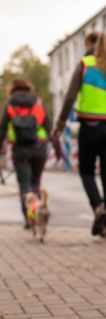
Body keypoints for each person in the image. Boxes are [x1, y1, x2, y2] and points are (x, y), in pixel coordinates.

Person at [52, 31, 106, 239]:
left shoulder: (85, 65)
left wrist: (60, 123)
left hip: (89, 128)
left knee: (86, 172)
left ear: (89, 43)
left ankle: (98, 207)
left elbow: (70, 96)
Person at [0, 79, 53, 228]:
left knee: (24, 183)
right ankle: (37, 213)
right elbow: (48, 124)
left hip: (20, 149)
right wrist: (57, 146)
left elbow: (2, 127)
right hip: (39, 147)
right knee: (35, 182)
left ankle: (28, 217)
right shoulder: (38, 101)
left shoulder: (10, 102)